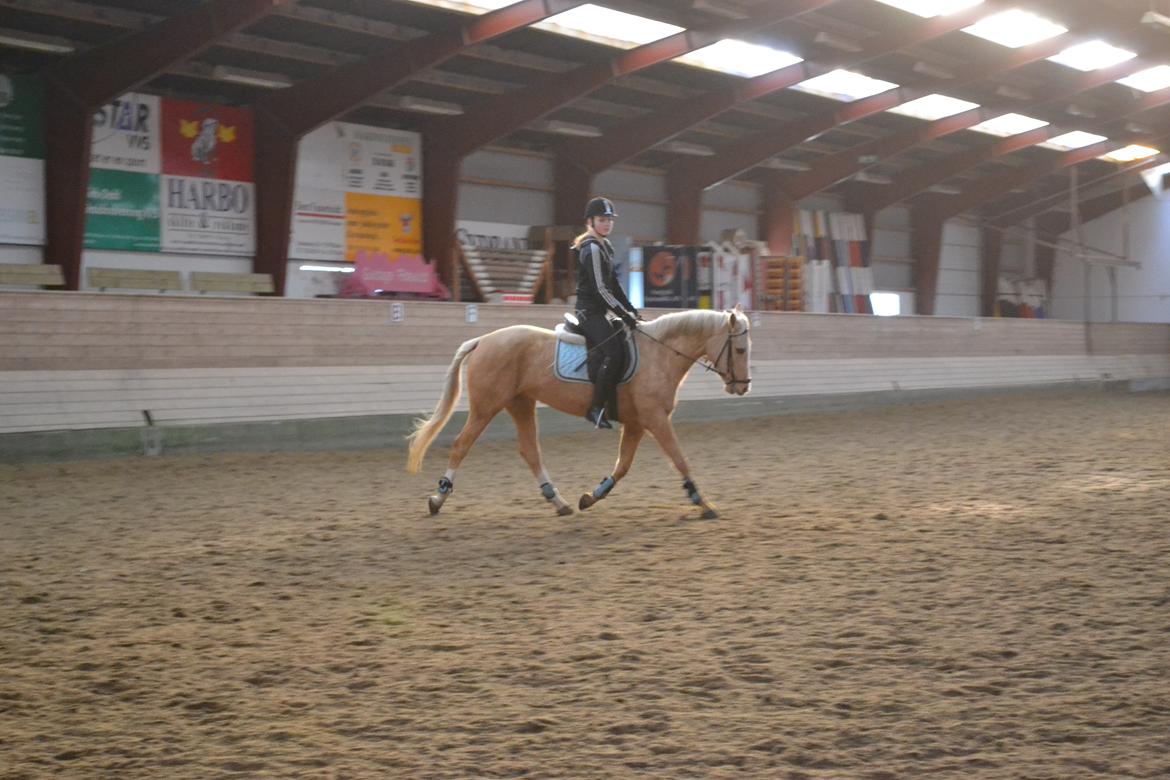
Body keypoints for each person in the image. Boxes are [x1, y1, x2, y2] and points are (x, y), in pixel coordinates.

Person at [573, 196, 640, 429]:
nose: (607, 224)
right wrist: (623, 314)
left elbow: (615, 285)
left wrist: (631, 309)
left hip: (601, 311)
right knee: (614, 353)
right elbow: (600, 289)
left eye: (610, 220)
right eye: (602, 220)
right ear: (590, 222)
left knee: (624, 344)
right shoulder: (591, 248)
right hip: (588, 311)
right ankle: (596, 408)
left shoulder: (606, 246)